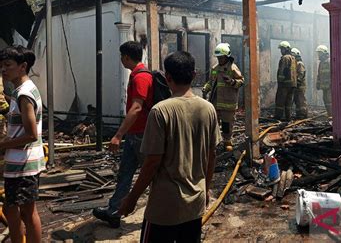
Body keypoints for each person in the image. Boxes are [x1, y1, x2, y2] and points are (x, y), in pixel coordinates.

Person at [119, 51, 220, 243]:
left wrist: (132, 198)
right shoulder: (208, 109)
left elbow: (152, 162)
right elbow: (212, 155)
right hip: (194, 204)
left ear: (168, 78)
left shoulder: (160, 111)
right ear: (194, 75)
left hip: (165, 208)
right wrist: (206, 189)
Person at [93, 41, 153, 228]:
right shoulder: (137, 75)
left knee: (152, 176)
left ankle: (163, 213)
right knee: (125, 173)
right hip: (134, 135)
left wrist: (118, 135)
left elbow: (136, 108)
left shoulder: (141, 77)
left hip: (141, 135)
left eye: (121, 56)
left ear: (126, 57)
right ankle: (114, 211)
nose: (120, 60)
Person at [0, 46, 44, 243]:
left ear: (22, 66)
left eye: (8, 65)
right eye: (1, 65)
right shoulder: (20, 92)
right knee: (12, 210)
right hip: (19, 163)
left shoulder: (24, 94)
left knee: (26, 212)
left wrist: (4, 144)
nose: (3, 69)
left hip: (24, 165)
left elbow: (31, 134)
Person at [202, 43, 244, 151]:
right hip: (215, 102)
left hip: (228, 102)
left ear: (227, 56)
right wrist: (206, 88)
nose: (220, 59)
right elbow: (211, 81)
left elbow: (241, 82)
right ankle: (215, 142)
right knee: (214, 123)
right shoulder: (215, 68)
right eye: (218, 57)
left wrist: (232, 81)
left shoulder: (233, 68)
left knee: (227, 123)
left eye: (222, 57)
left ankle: (227, 141)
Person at [275, 41, 297, 121]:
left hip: (284, 84)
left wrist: (280, 81)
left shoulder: (285, 58)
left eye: (282, 49)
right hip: (292, 84)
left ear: (286, 49)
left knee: (280, 100)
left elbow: (282, 70)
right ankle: (288, 117)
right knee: (288, 102)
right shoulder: (293, 58)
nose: (281, 51)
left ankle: (278, 117)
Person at [291, 48, 308, 119]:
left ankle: (303, 114)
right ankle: (299, 114)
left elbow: (301, 74)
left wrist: (297, 82)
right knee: (297, 100)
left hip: (300, 86)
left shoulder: (299, 63)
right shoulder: (295, 63)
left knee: (301, 100)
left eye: (292, 55)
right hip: (297, 85)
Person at [316, 45, 331, 117]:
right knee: (326, 100)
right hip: (324, 86)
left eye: (320, 53)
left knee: (329, 101)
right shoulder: (321, 63)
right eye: (318, 53)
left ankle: (332, 116)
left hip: (330, 86)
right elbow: (319, 75)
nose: (319, 55)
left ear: (324, 53)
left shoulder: (329, 61)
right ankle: (330, 115)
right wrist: (318, 83)